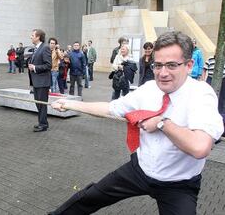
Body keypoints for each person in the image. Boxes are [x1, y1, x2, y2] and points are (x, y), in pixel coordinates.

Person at [49, 31, 224, 215]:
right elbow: (111, 108)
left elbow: (200, 147)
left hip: (178, 184)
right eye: (158, 65)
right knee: (91, 196)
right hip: (140, 169)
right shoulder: (148, 89)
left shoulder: (201, 94)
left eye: (172, 65)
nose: (163, 73)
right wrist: (70, 104)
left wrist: (161, 122)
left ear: (189, 66)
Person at [28, 29, 52, 132]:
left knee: (42, 104)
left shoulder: (45, 48)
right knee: (38, 104)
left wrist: (35, 67)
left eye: (33, 35)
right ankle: (42, 122)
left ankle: (43, 124)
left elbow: (48, 65)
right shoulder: (36, 48)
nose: (31, 37)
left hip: (42, 82)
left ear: (38, 37)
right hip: (37, 81)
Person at [203, 56, 225, 142]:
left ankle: (219, 130)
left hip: (223, 80)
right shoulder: (210, 59)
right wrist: (203, 79)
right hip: (210, 79)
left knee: (221, 104)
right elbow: (204, 69)